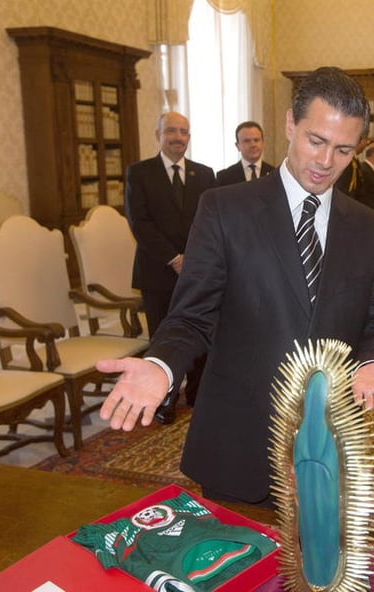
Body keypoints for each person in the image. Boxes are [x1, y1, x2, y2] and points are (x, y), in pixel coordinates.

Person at [98, 67, 374, 507]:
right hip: (238, 439)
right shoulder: (224, 209)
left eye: (344, 149)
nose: (326, 162)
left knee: (316, 571)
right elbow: (191, 317)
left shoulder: (372, 229)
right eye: (315, 141)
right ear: (290, 124)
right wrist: (162, 365)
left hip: (329, 442)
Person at [124, 111, 216, 424]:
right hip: (157, 271)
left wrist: (195, 259)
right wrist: (175, 259)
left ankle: (200, 395)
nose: (179, 137)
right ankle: (164, 400)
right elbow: (140, 223)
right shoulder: (139, 173)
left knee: (200, 332)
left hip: (198, 270)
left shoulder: (204, 174)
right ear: (158, 134)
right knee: (164, 338)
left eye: (184, 132)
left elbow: (210, 223)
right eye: (172, 131)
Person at [216, 121, 274, 186]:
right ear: (237, 146)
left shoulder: (274, 174)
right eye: (247, 141)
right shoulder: (224, 177)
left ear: (263, 143)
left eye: (256, 140)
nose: (253, 145)